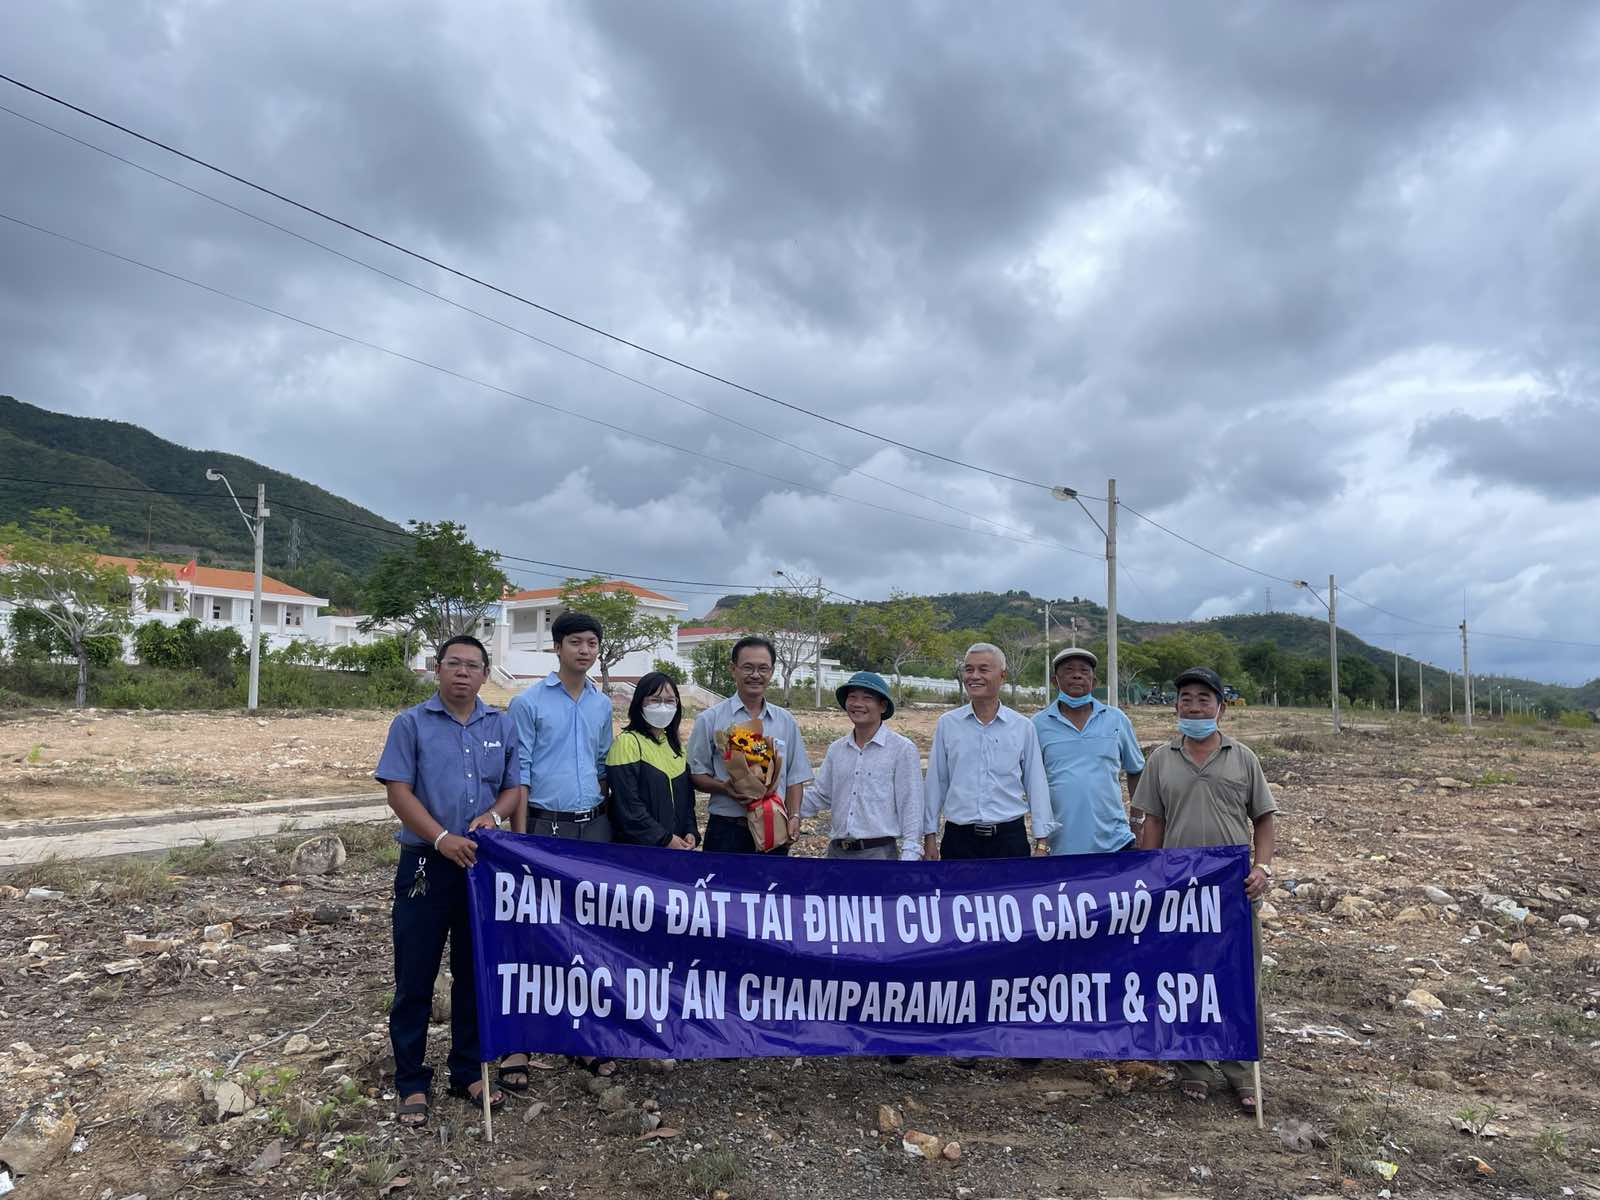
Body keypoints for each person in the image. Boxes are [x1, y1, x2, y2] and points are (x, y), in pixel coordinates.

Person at [375, 634, 521, 1128]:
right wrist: (440, 839)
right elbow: (398, 791)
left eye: (473, 665)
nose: (462, 672)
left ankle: (468, 1070)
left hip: (479, 866)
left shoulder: (500, 724)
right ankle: (411, 1079)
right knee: (415, 976)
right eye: (453, 664)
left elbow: (513, 787)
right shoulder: (411, 724)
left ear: (485, 673)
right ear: (437, 669)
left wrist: (493, 818)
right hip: (426, 863)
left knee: (473, 972)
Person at [1132, 665, 1276, 1114]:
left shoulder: (1243, 757)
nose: (1194, 706)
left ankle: (1240, 1070)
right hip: (1178, 890)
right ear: (1175, 706)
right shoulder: (1161, 758)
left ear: (1220, 707)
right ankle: (1192, 1066)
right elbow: (1151, 821)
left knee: (1236, 976)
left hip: (1231, 891)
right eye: (1186, 699)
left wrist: (1263, 868)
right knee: (1184, 975)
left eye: (1204, 699)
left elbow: (1264, 819)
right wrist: (1149, 876)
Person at [504, 609, 614, 1081]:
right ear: (558, 647)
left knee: (587, 936)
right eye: (576, 642)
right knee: (534, 934)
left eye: (592, 642)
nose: (585, 650)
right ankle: (519, 1045)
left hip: (594, 829)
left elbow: (604, 767)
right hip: (544, 831)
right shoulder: (527, 703)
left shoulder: (602, 704)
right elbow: (520, 773)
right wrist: (521, 841)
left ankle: (582, 1038)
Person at [923, 643, 1057, 860]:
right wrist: (929, 837)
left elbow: (1036, 783)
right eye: (968, 669)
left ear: (1002, 676)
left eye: (983, 669)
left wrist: (1041, 843)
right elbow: (936, 782)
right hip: (959, 840)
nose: (974, 676)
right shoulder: (947, 724)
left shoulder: (1022, 726)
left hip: (1009, 839)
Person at [687, 635, 813, 854]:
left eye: (763, 668)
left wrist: (794, 816)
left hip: (774, 827)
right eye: (748, 667)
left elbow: (795, 778)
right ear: (733, 669)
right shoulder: (710, 719)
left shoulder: (785, 721)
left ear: (772, 672)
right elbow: (696, 775)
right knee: (720, 888)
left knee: (771, 888)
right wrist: (724, 788)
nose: (756, 675)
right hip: (727, 831)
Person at [799, 670, 924, 861]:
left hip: (879, 855)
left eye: (867, 698)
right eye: (852, 697)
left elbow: (911, 806)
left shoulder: (902, 749)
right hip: (837, 854)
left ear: (882, 706)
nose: (858, 704)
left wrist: (910, 855)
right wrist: (779, 804)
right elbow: (821, 795)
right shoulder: (837, 749)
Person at [1032, 646, 1145, 855]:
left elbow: (1136, 770)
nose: (1077, 675)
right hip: (1060, 847)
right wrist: (1041, 842)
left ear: (1094, 681)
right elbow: (1032, 783)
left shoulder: (1117, 719)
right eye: (1068, 670)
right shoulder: (1037, 725)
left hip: (1115, 842)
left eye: (1084, 671)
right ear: (1054, 681)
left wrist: (1137, 823)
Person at [607, 671, 699, 849]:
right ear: (640, 703)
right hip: (639, 851)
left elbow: (687, 801)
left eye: (670, 700)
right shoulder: (627, 743)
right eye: (655, 700)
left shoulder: (676, 747)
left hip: (676, 848)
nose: (663, 706)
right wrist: (664, 839)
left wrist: (690, 831)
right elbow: (628, 806)